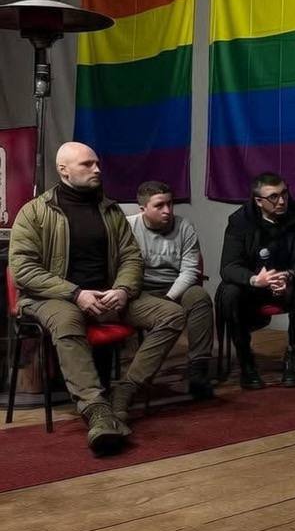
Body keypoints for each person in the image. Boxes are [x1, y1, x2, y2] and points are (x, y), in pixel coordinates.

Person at [9, 142, 184, 454]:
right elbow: (23, 270)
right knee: (67, 319)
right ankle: (97, 411)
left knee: (171, 314)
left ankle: (124, 392)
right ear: (64, 170)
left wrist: (123, 290)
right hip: (53, 297)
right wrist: (75, 293)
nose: (97, 169)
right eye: (87, 164)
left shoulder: (111, 210)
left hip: (108, 295)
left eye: (97, 163)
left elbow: (131, 257)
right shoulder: (34, 212)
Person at [216, 172, 295, 390]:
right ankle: (246, 361)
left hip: (287, 282)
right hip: (254, 285)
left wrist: (288, 275)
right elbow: (229, 266)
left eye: (284, 194)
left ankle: (293, 354)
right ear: (258, 201)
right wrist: (255, 279)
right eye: (273, 197)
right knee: (229, 292)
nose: (281, 201)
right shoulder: (239, 221)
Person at [127, 180, 215, 400]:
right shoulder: (128, 228)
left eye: (170, 203)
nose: (167, 210)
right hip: (142, 290)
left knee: (200, 297)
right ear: (143, 209)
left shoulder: (184, 227)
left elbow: (190, 271)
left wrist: (169, 297)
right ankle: (135, 380)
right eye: (159, 205)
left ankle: (198, 371)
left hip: (174, 287)